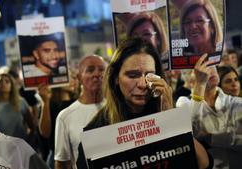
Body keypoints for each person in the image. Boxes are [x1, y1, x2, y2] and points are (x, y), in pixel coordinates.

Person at [76, 38, 211, 169]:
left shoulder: (166, 111)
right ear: (116, 78)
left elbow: (204, 164)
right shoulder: (96, 132)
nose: (142, 84)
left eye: (149, 75)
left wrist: (171, 119)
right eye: (132, 75)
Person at [54, 55, 106, 169]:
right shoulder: (65, 117)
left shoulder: (117, 108)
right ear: (79, 77)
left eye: (102, 69)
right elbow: (62, 163)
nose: (97, 74)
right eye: (90, 70)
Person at [191, 54, 242, 169]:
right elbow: (189, 133)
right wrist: (200, 84)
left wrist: (211, 137)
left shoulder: (236, 102)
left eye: (213, 65)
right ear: (192, 78)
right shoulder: (186, 103)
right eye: (203, 68)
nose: (211, 70)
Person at [0, 73, 34, 140]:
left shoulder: (21, 102)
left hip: (20, 144)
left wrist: (28, 141)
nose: (3, 83)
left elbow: (31, 126)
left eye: (7, 81)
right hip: (1, 146)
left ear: (12, 85)